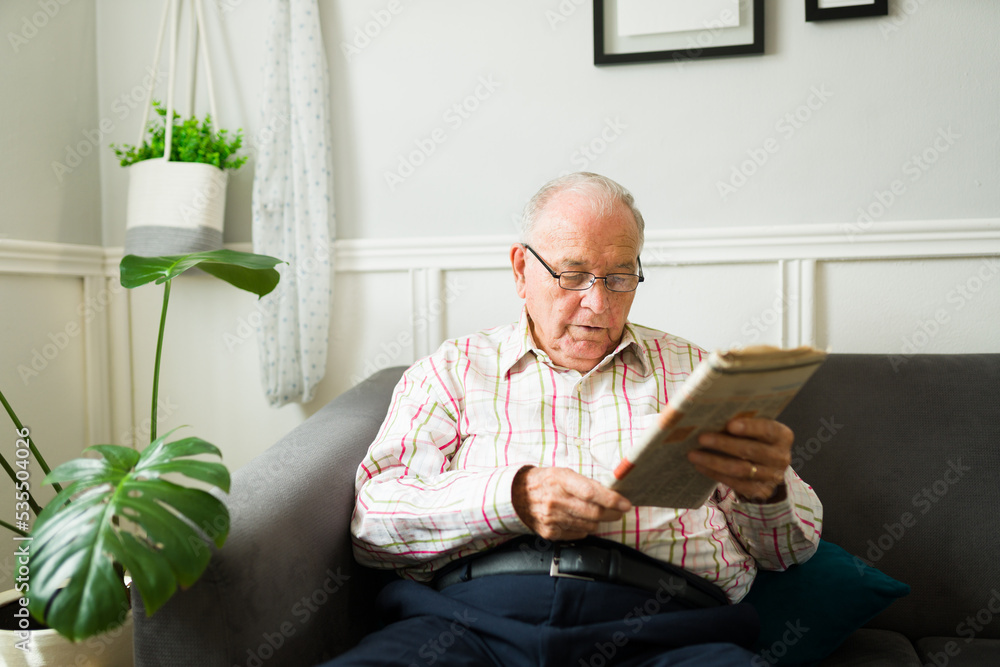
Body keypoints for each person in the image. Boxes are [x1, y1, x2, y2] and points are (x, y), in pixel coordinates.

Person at [328, 172, 822, 666]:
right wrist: (513, 498)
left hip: (668, 631)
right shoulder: (454, 369)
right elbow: (374, 525)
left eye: (620, 277)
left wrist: (767, 489)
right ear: (522, 269)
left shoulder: (696, 372)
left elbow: (786, 551)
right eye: (573, 274)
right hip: (471, 625)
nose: (598, 303)